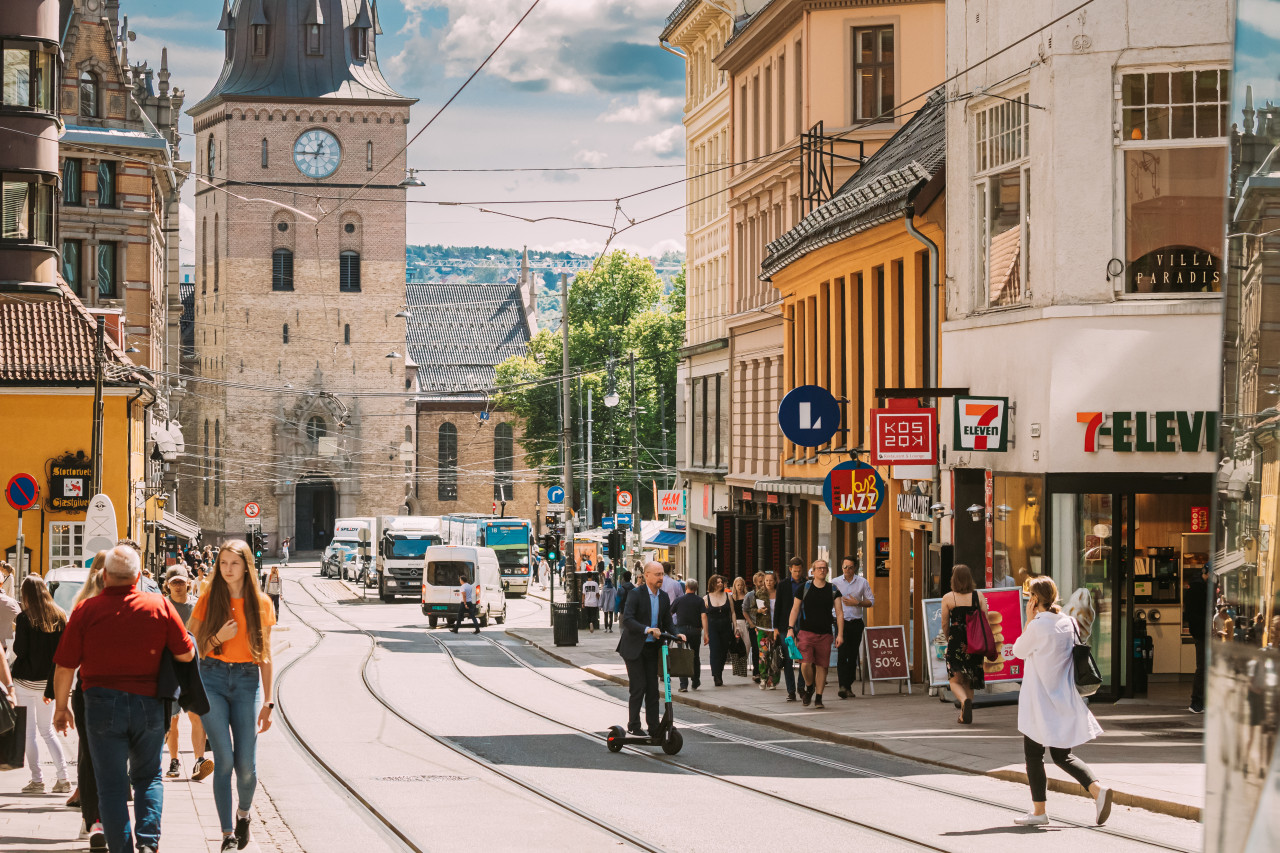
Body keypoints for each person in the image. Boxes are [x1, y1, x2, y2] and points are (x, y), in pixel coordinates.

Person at [52, 545, 196, 853]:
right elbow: (185, 653)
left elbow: (65, 666)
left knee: (111, 784)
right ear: (137, 576)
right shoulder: (159, 606)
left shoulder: (85, 610)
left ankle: (121, 848)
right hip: (148, 704)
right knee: (148, 778)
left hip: (101, 703)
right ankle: (147, 843)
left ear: (104, 576)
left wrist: (62, 707)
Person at [188, 540, 276, 851]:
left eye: (233, 564)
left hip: (247, 682)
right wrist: (216, 638)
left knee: (247, 766)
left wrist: (268, 701)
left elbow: (265, 655)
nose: (227, 569)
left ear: (246, 566)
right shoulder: (209, 599)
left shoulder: (262, 603)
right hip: (212, 678)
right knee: (223, 760)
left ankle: (244, 815)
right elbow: (191, 644)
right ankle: (226, 835)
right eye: (223, 563)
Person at [1010, 577, 1112, 827]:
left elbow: (1018, 651)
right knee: (1061, 755)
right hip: (1062, 698)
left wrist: (1028, 619)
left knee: (1033, 755)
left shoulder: (1037, 625)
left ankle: (1039, 811)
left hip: (1038, 701)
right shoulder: (1068, 623)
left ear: (1034, 600)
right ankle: (1098, 790)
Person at [12, 575, 70, 794]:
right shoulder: (60, 615)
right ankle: (63, 778)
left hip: (25, 681)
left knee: (29, 733)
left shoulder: (25, 618)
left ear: (26, 594)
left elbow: (21, 651)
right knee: (47, 730)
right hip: (49, 682)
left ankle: (37, 780)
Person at [617, 561, 684, 736]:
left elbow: (667, 621)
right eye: (657, 574)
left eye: (662, 574)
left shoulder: (663, 597)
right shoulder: (635, 594)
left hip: (652, 648)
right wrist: (648, 629)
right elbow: (628, 620)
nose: (661, 578)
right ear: (646, 575)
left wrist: (677, 634)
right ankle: (634, 725)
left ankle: (654, 726)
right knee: (639, 686)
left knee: (653, 688)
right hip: (634, 647)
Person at [163, 568, 214, 782]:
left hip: (193, 668)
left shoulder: (196, 606)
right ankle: (174, 759)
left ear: (187, 583)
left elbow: (205, 634)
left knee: (196, 716)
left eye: (181, 582)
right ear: (167, 584)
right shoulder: (163, 606)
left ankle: (199, 759)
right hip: (170, 669)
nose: (177, 585)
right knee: (172, 720)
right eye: (173, 582)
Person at [786, 559, 843, 708]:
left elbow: (839, 613)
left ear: (827, 571)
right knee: (805, 664)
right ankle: (809, 686)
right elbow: (795, 609)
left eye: (824, 568)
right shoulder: (804, 588)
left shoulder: (833, 589)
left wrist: (840, 634)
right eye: (818, 568)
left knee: (822, 666)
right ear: (813, 571)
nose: (822, 570)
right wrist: (790, 629)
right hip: (806, 633)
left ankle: (818, 697)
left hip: (825, 633)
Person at [940, 564, 987, 725]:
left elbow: (945, 624)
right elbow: (985, 621)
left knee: (954, 680)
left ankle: (964, 700)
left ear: (954, 579)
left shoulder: (948, 598)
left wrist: (949, 639)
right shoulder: (979, 596)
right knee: (969, 679)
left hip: (956, 642)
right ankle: (964, 714)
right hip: (975, 643)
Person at [832, 555, 875, 699]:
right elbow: (828, 600)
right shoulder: (835, 582)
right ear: (841, 567)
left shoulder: (862, 582)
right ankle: (842, 686)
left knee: (852, 655)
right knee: (842, 653)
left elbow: (871, 601)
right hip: (840, 622)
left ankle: (848, 685)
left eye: (850, 567)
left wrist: (857, 602)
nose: (847, 570)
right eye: (845, 567)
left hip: (856, 622)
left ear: (855, 568)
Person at [743, 571, 781, 688]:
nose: (769, 583)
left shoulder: (780, 593)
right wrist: (759, 611)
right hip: (763, 628)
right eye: (767, 580)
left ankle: (773, 680)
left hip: (776, 629)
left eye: (771, 580)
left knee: (775, 656)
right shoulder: (759, 593)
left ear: (775, 581)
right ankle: (763, 678)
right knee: (763, 654)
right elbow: (752, 609)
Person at [702, 574, 736, 687]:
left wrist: (735, 627)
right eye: (718, 582)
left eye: (721, 582)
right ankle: (716, 676)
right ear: (712, 584)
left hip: (726, 627)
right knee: (715, 651)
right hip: (713, 628)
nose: (721, 584)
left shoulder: (728, 596)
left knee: (724, 652)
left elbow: (733, 612)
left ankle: (719, 672)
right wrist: (705, 633)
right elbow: (704, 617)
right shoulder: (706, 598)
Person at [774, 562, 802, 701]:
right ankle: (791, 690)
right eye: (795, 571)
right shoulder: (783, 584)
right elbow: (778, 605)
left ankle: (801, 687)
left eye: (799, 571)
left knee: (803, 658)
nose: (797, 573)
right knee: (788, 658)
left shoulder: (806, 583)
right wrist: (776, 628)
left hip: (802, 624)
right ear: (790, 569)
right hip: (785, 625)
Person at [672, 579, 705, 692]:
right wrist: (706, 632)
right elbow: (703, 617)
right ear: (696, 588)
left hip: (681, 631)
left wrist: (671, 627)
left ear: (686, 587)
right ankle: (695, 681)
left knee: (683, 656)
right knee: (695, 656)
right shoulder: (700, 601)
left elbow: (669, 613)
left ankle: (683, 685)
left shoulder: (678, 600)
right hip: (695, 631)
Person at [1185, 566, 1208, 714]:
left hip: (1201, 631)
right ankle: (1196, 702)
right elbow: (1194, 613)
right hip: (1202, 633)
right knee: (1202, 666)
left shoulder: (1199, 586)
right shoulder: (1198, 589)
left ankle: (1200, 700)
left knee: (1204, 667)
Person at [730, 576, 753, 677]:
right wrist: (734, 625)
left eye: (741, 585)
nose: (739, 587)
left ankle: (743, 664)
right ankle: (737, 667)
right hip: (736, 622)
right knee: (736, 645)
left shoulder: (747, 596)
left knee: (747, 644)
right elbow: (732, 612)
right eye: (738, 585)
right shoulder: (731, 597)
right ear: (735, 585)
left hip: (746, 622)